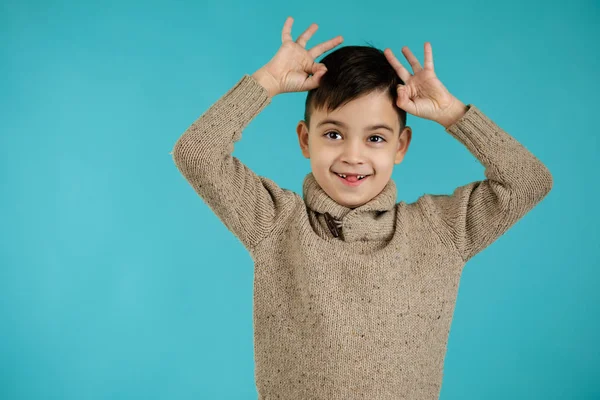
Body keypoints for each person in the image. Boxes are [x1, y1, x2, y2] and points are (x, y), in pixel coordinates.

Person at [170, 16, 553, 400]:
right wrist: (267, 82)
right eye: (333, 134)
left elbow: (528, 182)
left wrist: (451, 112)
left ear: (400, 146)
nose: (353, 156)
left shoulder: (441, 229)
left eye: (375, 137)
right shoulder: (276, 222)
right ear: (306, 140)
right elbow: (197, 152)